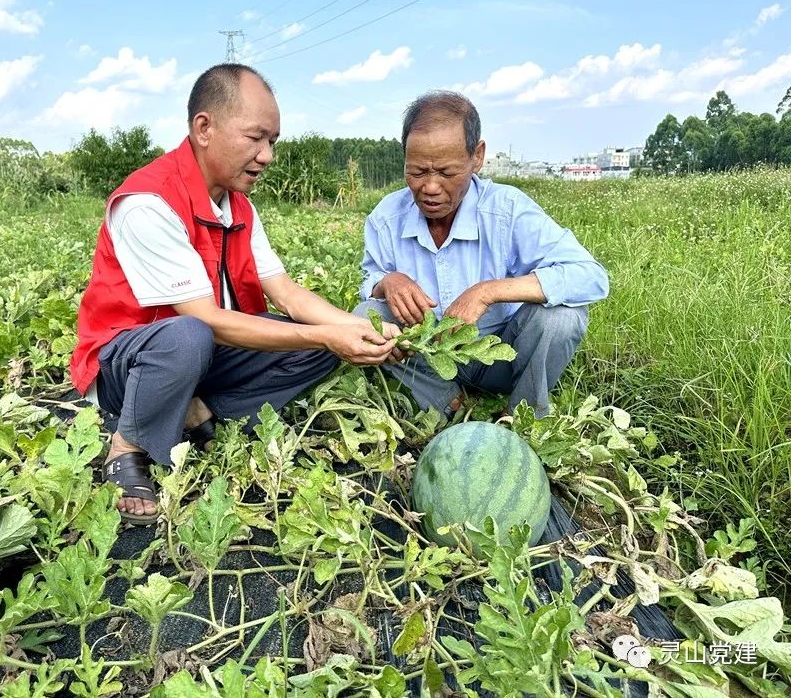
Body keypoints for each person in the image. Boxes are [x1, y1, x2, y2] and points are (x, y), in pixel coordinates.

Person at [70, 63, 400, 524]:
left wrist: (355, 328)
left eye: (273, 142)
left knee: (323, 347)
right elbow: (204, 320)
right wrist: (325, 334)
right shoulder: (148, 201)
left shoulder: (238, 204)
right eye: (256, 138)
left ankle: (198, 410)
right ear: (204, 128)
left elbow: (285, 292)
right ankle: (129, 443)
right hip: (131, 363)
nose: (266, 156)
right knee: (188, 336)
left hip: (206, 351)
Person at [353, 90, 609, 418]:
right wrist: (387, 282)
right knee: (365, 317)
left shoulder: (507, 210)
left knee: (561, 318)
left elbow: (590, 275)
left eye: (446, 172)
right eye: (417, 172)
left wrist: (488, 292)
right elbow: (369, 279)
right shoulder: (386, 217)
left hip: (500, 356)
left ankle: (525, 417)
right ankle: (446, 400)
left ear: (477, 156)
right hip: (426, 360)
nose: (430, 187)